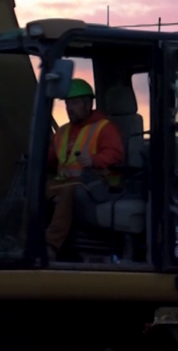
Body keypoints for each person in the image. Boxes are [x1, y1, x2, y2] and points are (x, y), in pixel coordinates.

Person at [45, 78, 124, 261]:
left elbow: (116, 155)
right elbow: (52, 158)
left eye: (74, 103)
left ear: (88, 104)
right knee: (34, 190)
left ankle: (50, 245)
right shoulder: (62, 131)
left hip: (98, 184)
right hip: (64, 182)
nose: (69, 108)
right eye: (67, 104)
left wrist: (94, 159)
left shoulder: (105, 128)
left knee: (69, 190)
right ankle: (24, 241)